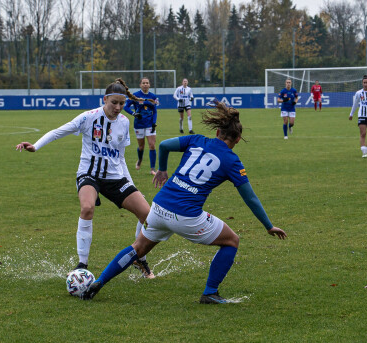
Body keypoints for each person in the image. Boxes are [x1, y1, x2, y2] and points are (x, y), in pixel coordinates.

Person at [81, 101, 287, 303]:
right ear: (238, 139)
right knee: (232, 241)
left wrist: (162, 169)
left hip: (159, 207)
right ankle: (210, 292)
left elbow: (164, 145)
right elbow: (250, 197)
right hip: (187, 216)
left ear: (217, 132)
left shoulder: (197, 140)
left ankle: (99, 281)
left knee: (138, 248)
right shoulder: (232, 161)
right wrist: (268, 226)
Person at [16, 78, 155, 278]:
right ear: (105, 99)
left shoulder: (124, 123)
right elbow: (58, 132)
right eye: (113, 103)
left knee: (148, 216)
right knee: (87, 208)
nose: (117, 107)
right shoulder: (88, 118)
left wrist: (132, 185)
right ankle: (82, 264)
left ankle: (138, 258)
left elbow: (121, 158)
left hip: (115, 177)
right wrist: (35, 146)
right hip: (89, 174)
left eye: (121, 104)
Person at [124, 77, 158, 175]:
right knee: (141, 146)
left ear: (149, 85)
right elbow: (126, 107)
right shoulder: (135, 95)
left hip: (150, 124)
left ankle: (152, 169)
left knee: (152, 145)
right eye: (143, 83)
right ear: (140, 85)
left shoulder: (153, 96)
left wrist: (154, 122)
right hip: (138, 124)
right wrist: (133, 114)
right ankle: (139, 160)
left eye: (147, 83)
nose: (145, 84)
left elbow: (155, 111)